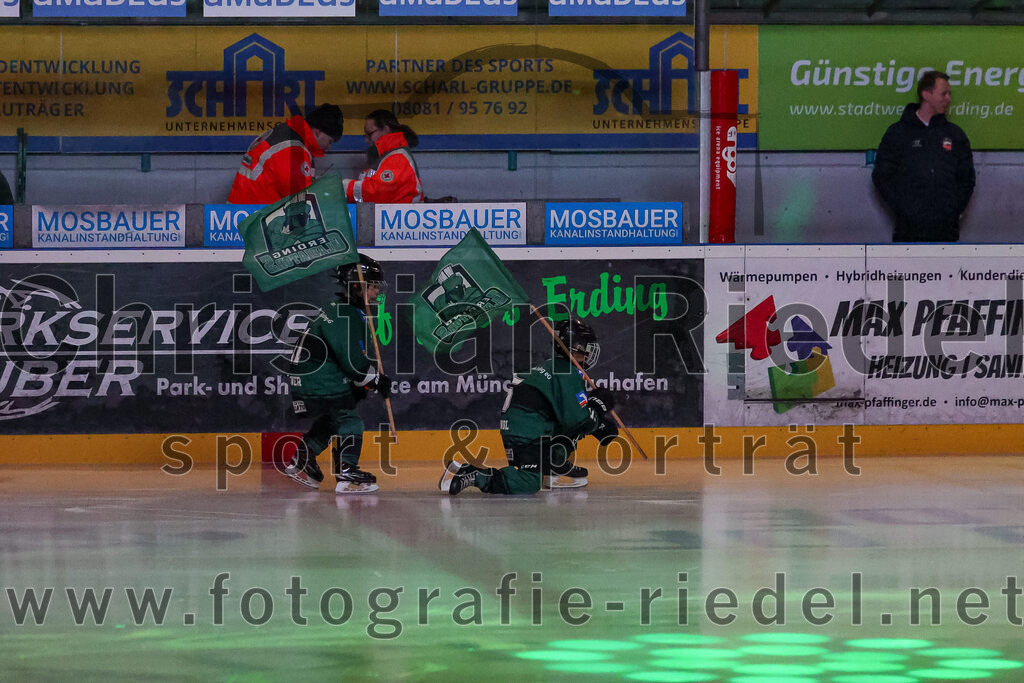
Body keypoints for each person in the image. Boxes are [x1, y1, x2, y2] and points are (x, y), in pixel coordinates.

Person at [439, 318, 618, 496]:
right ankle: (477, 475)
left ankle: (553, 466)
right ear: (576, 347)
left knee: (572, 424)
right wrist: (598, 407)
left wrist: (598, 423)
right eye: (587, 347)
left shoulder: (552, 367)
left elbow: (565, 412)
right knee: (529, 483)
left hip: (520, 431)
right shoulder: (567, 371)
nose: (589, 353)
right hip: (528, 435)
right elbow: (577, 421)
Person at [284, 254, 393, 494]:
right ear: (357, 286)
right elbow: (354, 365)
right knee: (350, 420)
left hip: (310, 378)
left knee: (334, 418)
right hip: (319, 380)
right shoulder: (347, 315)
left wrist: (370, 380)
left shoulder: (340, 311)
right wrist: (376, 380)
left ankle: (302, 459)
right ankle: (347, 472)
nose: (376, 293)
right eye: (372, 286)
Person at [872, 70, 976, 242]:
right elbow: (882, 176)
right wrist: (904, 208)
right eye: (944, 94)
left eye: (949, 94)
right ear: (926, 94)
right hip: (908, 230)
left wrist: (953, 210)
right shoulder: (899, 133)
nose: (948, 99)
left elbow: (967, 179)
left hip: (946, 231)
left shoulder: (955, 135)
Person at [228, 104, 344, 204]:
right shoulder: (294, 149)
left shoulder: (284, 134)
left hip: (239, 212)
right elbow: (300, 196)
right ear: (317, 133)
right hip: (253, 219)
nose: (328, 147)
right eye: (330, 141)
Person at [343, 109, 424, 204]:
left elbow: (375, 192)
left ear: (386, 130)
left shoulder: (398, 158)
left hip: (400, 218)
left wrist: (343, 187)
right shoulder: (386, 158)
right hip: (394, 217)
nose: (366, 140)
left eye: (369, 134)